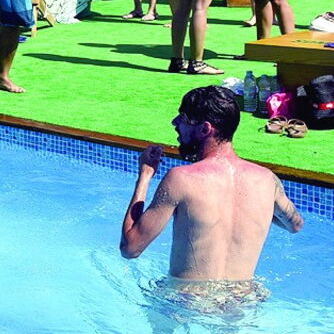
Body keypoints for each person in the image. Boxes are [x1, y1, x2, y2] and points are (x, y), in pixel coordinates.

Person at [120, 86, 303, 285]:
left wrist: (145, 175)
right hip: (243, 303)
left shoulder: (181, 179)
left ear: (205, 129)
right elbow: (295, 225)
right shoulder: (267, 180)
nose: (175, 122)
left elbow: (131, 248)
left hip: (187, 304)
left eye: (183, 117)